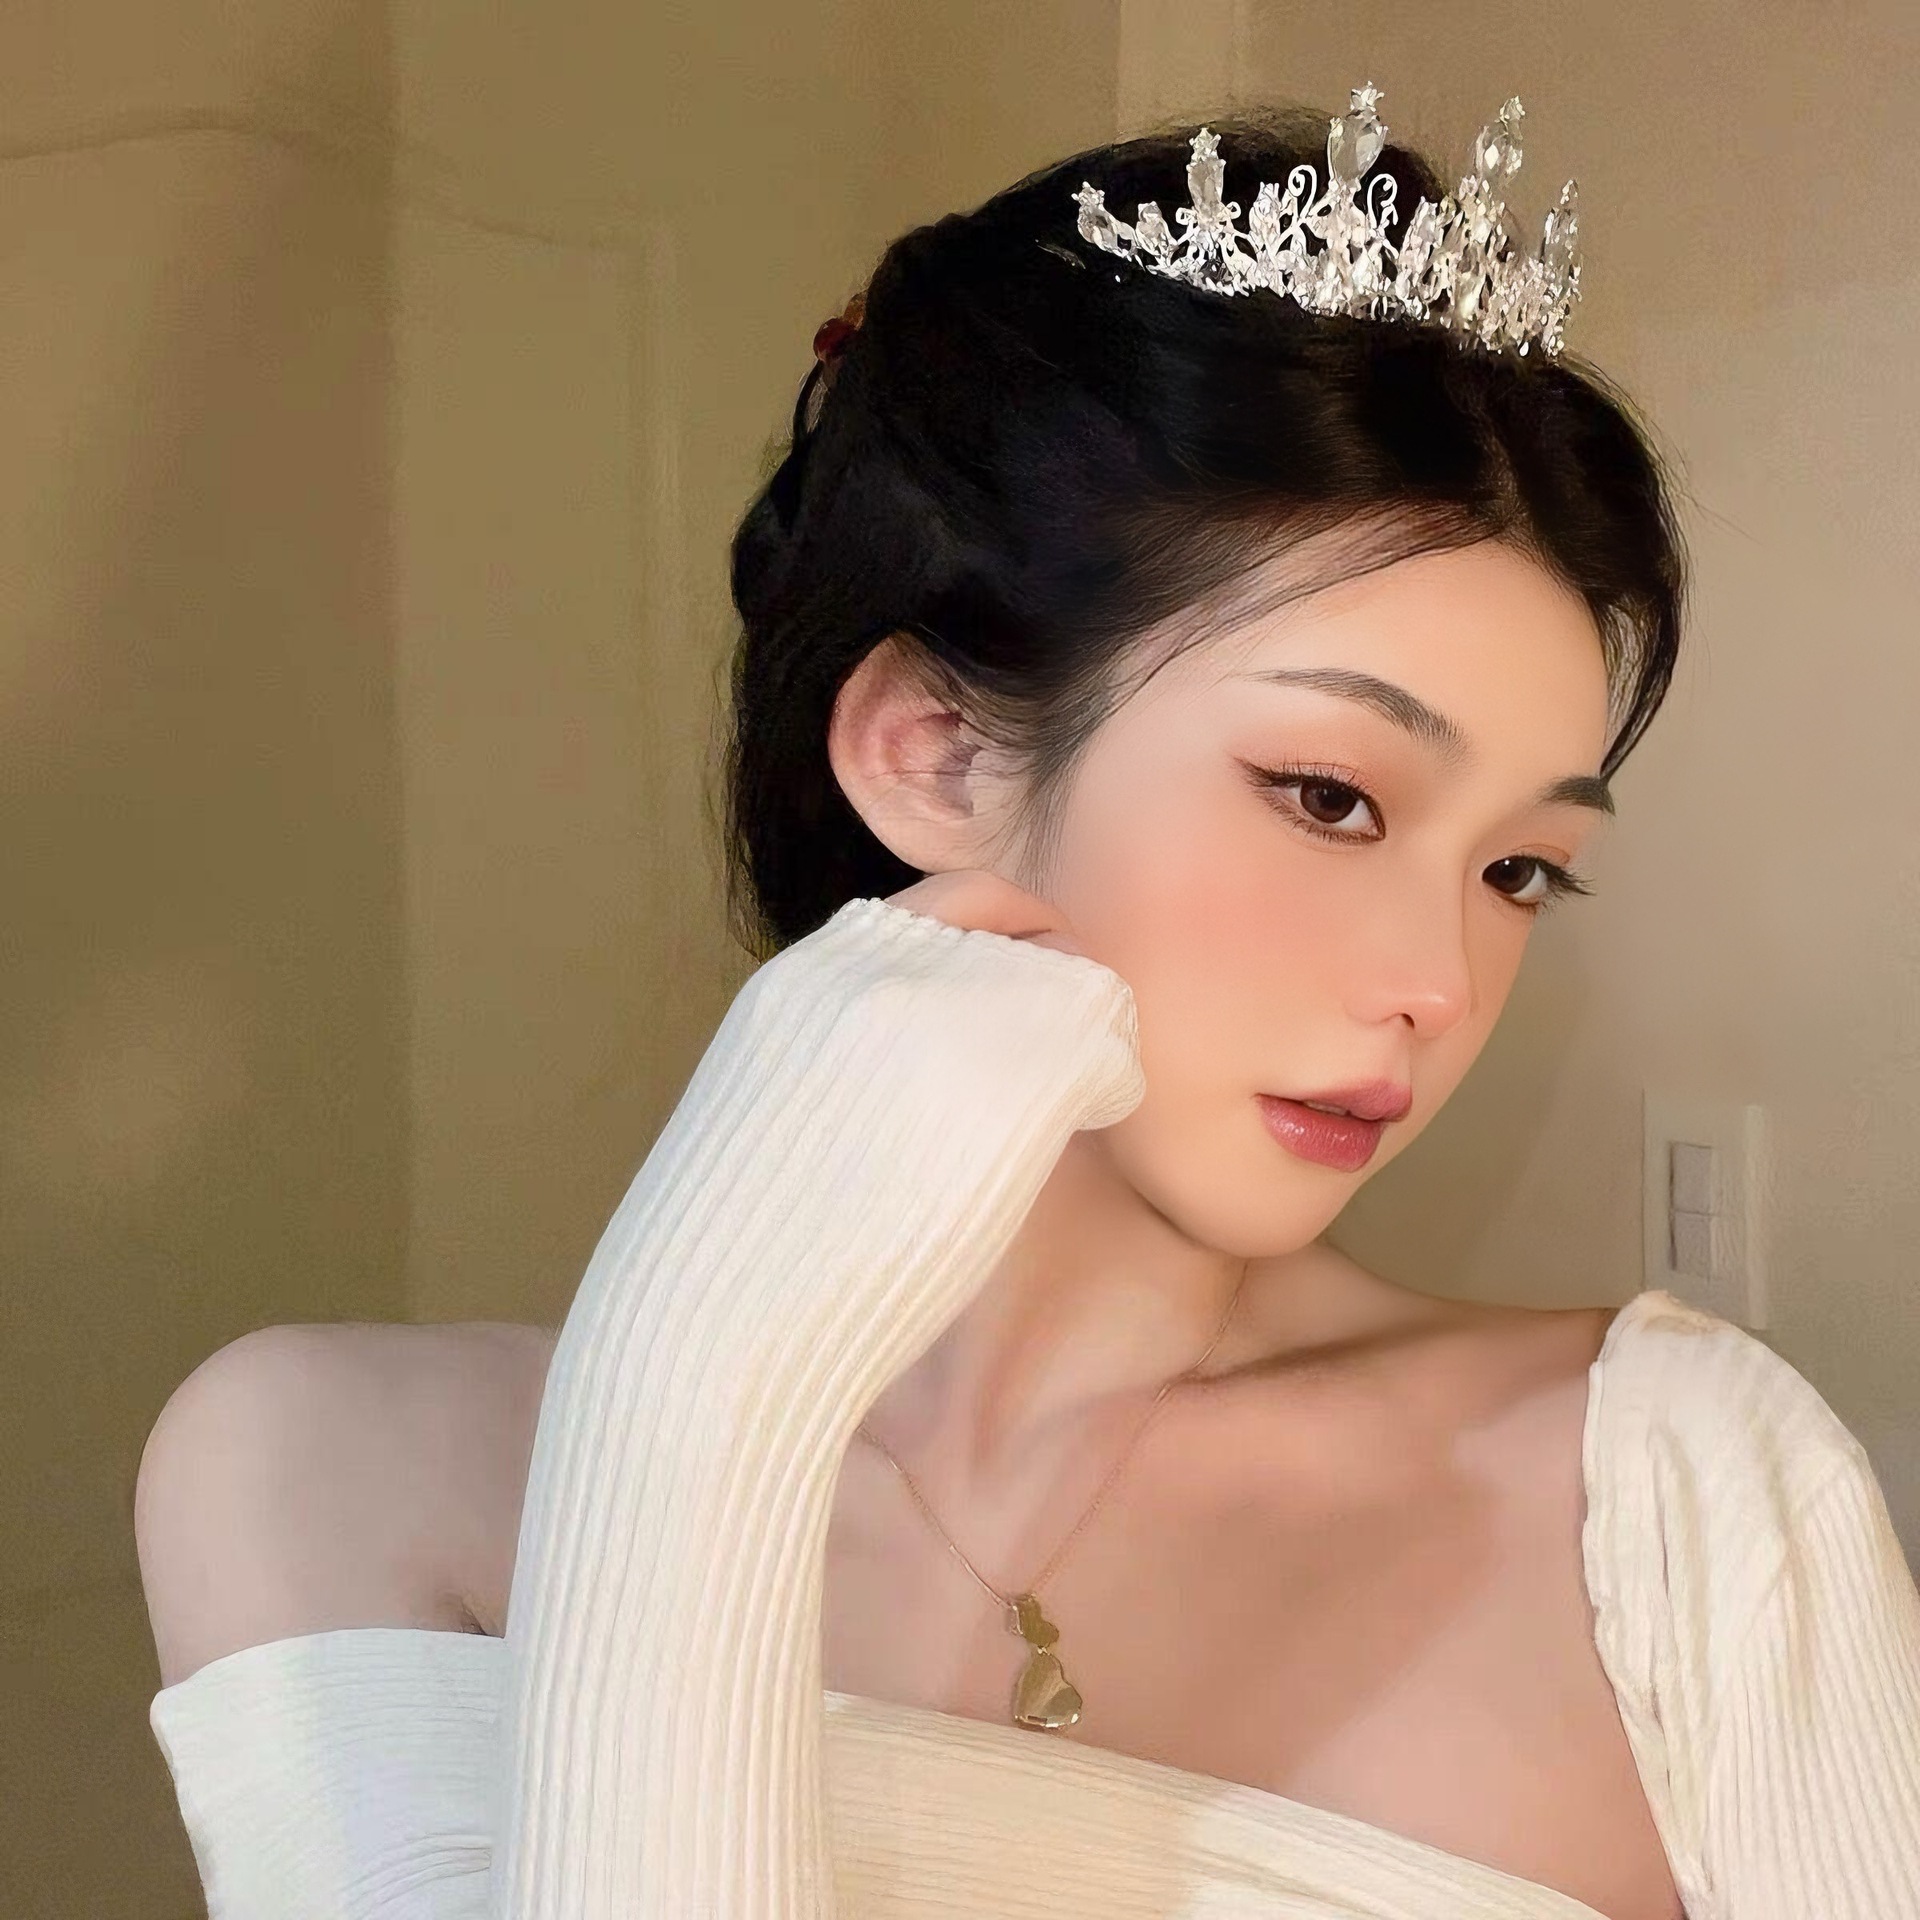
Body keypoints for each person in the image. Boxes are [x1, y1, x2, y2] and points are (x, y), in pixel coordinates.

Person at [135, 95, 1920, 1920]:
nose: (1439, 984)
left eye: (1519, 869)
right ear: (936, 753)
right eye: (1329, 796)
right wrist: (688, 1394)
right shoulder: (333, 1475)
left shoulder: (1672, 1495)